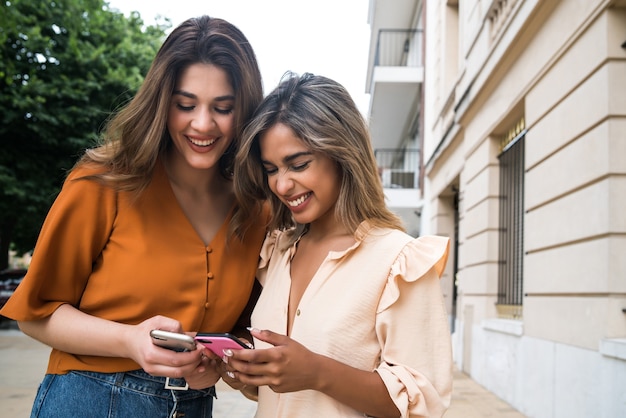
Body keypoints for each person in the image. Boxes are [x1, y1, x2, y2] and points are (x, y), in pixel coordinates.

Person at [0, 15, 267, 417]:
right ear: (162, 102)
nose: (203, 124)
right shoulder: (103, 181)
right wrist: (129, 341)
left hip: (192, 406)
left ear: (245, 111)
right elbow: (35, 316)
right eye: (185, 105)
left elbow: (244, 334)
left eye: (223, 108)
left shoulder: (256, 208)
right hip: (89, 400)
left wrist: (219, 364)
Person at [224, 72, 453, 418]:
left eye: (298, 164)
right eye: (271, 169)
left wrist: (317, 372)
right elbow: (273, 388)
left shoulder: (399, 262)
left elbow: (421, 401)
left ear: (341, 154)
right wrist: (241, 371)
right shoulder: (276, 254)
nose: (282, 185)